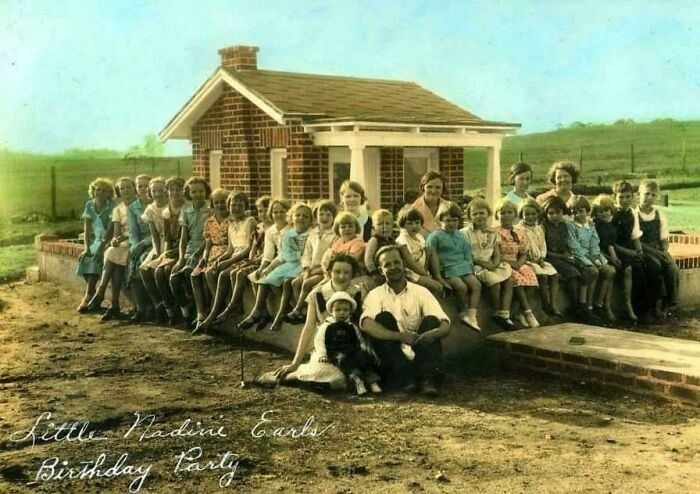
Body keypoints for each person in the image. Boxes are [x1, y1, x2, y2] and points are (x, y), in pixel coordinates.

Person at [360, 245, 451, 396]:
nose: (393, 267)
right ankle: (404, 378)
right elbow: (367, 325)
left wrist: (433, 334)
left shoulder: (421, 291)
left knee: (431, 320)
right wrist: (400, 336)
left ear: (403, 264)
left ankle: (427, 379)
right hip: (393, 358)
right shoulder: (375, 295)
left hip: (420, 352)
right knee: (383, 318)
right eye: (387, 264)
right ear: (381, 270)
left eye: (396, 262)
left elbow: (445, 323)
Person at [274, 254, 363, 381]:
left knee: (358, 374)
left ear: (352, 274)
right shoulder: (317, 294)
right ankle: (292, 376)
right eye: (337, 272)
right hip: (326, 350)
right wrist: (295, 363)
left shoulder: (357, 292)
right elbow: (309, 327)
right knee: (335, 378)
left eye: (347, 272)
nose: (342, 276)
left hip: (349, 347)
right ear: (329, 272)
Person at [197, 190, 256, 332]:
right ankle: (222, 306)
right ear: (229, 207)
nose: (235, 208)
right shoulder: (231, 225)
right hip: (234, 256)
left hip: (245, 258)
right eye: (233, 205)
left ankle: (229, 309)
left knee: (224, 274)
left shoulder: (250, 221)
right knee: (210, 271)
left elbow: (248, 248)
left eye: (239, 205)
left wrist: (228, 262)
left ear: (245, 206)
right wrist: (217, 260)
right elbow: (229, 250)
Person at [215, 196, 273, 324]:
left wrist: (253, 260)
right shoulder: (259, 227)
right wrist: (251, 258)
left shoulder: (271, 228)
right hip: (255, 260)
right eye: (260, 211)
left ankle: (233, 307)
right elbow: (253, 246)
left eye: (265, 211)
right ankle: (224, 307)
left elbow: (270, 253)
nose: (262, 214)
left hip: (265, 262)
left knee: (239, 273)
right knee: (225, 272)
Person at [86, 176, 137, 321]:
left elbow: (140, 231)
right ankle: (112, 303)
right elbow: (115, 233)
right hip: (123, 244)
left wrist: (123, 240)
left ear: (134, 189)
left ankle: (104, 295)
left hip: (134, 242)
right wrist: (115, 240)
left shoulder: (139, 206)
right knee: (111, 251)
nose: (126, 191)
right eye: (122, 188)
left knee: (114, 256)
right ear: (119, 192)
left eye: (128, 187)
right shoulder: (118, 209)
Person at [612, 180, 663, 321]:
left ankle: (653, 306)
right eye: (621, 197)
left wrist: (640, 252)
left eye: (628, 197)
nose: (625, 200)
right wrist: (631, 253)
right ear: (615, 197)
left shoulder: (632, 213)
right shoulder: (613, 215)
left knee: (652, 265)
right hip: (616, 251)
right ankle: (639, 310)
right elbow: (611, 242)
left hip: (631, 249)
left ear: (633, 197)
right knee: (637, 270)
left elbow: (635, 236)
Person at [426, 201, 481, 330]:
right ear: (440, 220)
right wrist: (436, 274)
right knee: (461, 287)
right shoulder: (435, 237)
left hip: (463, 267)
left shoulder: (461, 235)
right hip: (446, 270)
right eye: (448, 221)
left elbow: (467, 254)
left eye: (455, 220)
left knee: (476, 285)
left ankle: (472, 314)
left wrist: (471, 269)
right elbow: (430, 256)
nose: (451, 224)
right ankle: (463, 313)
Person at [313, 292, 381, 395]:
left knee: (363, 357)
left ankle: (373, 382)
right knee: (344, 360)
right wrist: (322, 354)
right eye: (338, 310)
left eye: (345, 310)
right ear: (331, 311)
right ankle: (358, 381)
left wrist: (364, 348)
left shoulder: (351, 326)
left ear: (350, 312)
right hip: (336, 352)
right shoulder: (327, 326)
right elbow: (319, 341)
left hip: (352, 350)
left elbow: (359, 339)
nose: (342, 313)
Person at [463, 198, 515, 330]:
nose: (479, 216)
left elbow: (496, 252)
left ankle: (505, 312)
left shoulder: (493, 232)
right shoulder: (465, 233)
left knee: (510, 278)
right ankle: (497, 312)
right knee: (494, 282)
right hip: (476, 265)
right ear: (470, 217)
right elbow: (468, 256)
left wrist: (495, 263)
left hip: (491, 264)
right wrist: (486, 265)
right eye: (475, 214)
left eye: (482, 213)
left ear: (488, 213)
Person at [541, 196, 595, 320]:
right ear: (546, 214)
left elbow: (567, 244)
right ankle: (575, 306)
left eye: (558, 212)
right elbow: (545, 252)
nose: (555, 216)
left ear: (563, 212)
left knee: (585, 268)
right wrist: (563, 257)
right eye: (551, 213)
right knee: (573, 274)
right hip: (551, 258)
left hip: (563, 256)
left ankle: (583, 305)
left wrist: (569, 256)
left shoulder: (564, 225)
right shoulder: (544, 227)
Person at [285, 199, 337, 324]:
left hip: (325, 271)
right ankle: (303, 312)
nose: (324, 217)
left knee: (307, 284)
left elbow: (333, 256)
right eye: (321, 214)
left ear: (333, 217)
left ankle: (298, 310)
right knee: (295, 282)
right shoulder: (313, 233)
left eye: (328, 215)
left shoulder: (334, 235)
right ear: (316, 216)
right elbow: (307, 254)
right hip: (312, 268)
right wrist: (307, 269)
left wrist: (321, 269)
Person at [169, 176, 212, 325]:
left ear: (206, 192)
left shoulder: (210, 210)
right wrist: (181, 258)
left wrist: (198, 253)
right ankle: (186, 310)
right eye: (194, 192)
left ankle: (199, 309)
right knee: (173, 278)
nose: (198, 194)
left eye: (201, 191)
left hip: (205, 249)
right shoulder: (186, 212)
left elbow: (210, 237)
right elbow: (183, 238)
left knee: (189, 272)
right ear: (189, 193)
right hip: (189, 250)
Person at [568, 195, 616, 321]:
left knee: (610, 271)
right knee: (593, 271)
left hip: (593, 254)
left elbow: (595, 242)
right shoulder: (571, 225)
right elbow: (574, 247)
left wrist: (595, 255)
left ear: (587, 211)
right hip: (579, 255)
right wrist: (589, 259)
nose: (577, 215)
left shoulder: (590, 224)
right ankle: (587, 307)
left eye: (581, 211)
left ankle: (598, 303)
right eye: (574, 212)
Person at [635, 179, 680, 312]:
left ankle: (670, 303)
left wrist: (665, 252)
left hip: (658, 248)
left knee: (672, 267)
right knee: (655, 265)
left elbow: (664, 239)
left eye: (653, 195)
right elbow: (635, 240)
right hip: (642, 248)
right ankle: (655, 304)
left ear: (657, 197)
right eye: (646, 194)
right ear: (639, 194)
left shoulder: (659, 215)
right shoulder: (634, 214)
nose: (649, 198)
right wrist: (659, 254)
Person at [495, 199, 540, 328]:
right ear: (497, 215)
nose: (506, 215)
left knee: (531, 277)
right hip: (502, 262)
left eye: (510, 212)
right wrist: (509, 263)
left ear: (515, 215)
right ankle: (528, 311)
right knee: (517, 280)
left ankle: (520, 312)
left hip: (517, 261)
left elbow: (524, 251)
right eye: (502, 213)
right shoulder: (494, 232)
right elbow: (494, 253)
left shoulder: (520, 231)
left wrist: (519, 263)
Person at [514, 198, 562, 316]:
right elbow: (521, 249)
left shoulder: (539, 228)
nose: (531, 217)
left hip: (539, 259)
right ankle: (545, 305)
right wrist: (532, 259)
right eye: (527, 214)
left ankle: (553, 304)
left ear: (538, 214)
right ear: (522, 215)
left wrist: (541, 257)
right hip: (527, 260)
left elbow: (542, 245)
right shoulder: (519, 229)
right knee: (543, 277)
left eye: (533, 214)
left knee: (555, 275)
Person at [592, 194, 636, 321]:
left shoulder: (610, 225)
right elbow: (597, 247)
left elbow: (611, 244)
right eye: (600, 211)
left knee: (626, 268)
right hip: (598, 253)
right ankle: (605, 306)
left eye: (607, 210)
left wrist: (614, 257)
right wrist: (611, 258)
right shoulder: (595, 226)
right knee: (611, 271)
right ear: (595, 213)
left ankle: (627, 305)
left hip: (609, 253)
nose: (604, 214)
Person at [191, 188, 230, 330]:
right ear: (213, 204)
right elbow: (208, 243)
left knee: (209, 273)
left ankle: (220, 305)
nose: (220, 205)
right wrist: (204, 257)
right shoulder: (209, 221)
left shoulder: (231, 220)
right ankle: (201, 312)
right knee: (195, 274)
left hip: (226, 252)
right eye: (217, 202)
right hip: (212, 252)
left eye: (223, 202)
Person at [76, 178, 115, 312]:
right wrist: (87, 248)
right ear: (93, 191)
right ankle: (92, 293)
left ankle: (88, 297)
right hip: (95, 241)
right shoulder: (89, 205)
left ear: (109, 193)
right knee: (85, 258)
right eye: (98, 190)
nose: (101, 193)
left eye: (104, 191)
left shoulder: (112, 206)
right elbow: (87, 230)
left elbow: (110, 230)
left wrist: (101, 248)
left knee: (96, 259)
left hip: (109, 240)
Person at [153, 177, 187, 325]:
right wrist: (164, 254)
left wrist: (175, 254)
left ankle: (184, 307)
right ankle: (170, 310)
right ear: (167, 192)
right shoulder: (167, 212)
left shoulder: (187, 209)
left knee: (168, 270)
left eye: (178, 189)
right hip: (172, 247)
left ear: (183, 191)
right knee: (158, 271)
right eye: (171, 190)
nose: (175, 192)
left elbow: (187, 237)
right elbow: (167, 237)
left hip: (184, 248)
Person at [396, 205, 451, 294]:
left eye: (417, 223)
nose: (414, 226)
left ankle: (438, 276)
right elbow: (411, 263)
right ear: (402, 225)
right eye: (410, 223)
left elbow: (425, 254)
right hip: (411, 272)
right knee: (438, 287)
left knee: (430, 249)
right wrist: (425, 275)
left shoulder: (418, 236)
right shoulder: (402, 240)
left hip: (421, 267)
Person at [138, 177, 170, 323]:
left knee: (158, 270)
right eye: (154, 191)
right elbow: (154, 234)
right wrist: (156, 251)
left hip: (171, 242)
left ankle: (169, 304)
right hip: (159, 242)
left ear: (166, 191)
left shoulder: (170, 207)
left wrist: (163, 252)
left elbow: (171, 233)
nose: (157, 193)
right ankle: (159, 304)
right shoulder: (150, 209)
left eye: (160, 190)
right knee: (144, 269)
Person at [411, 170, 447, 237]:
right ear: (423, 187)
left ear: (443, 189)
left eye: (438, 187)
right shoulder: (413, 209)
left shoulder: (448, 208)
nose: (433, 191)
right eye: (429, 187)